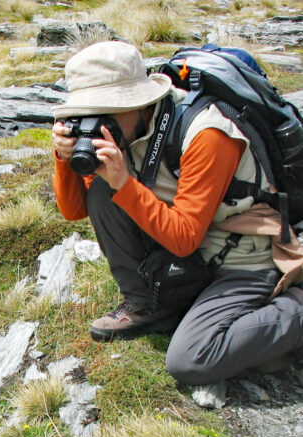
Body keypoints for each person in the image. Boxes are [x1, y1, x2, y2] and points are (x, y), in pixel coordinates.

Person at [50, 41, 303, 385]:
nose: (94, 123)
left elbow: (184, 239)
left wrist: (124, 182)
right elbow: (75, 209)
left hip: (242, 261)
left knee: (192, 359)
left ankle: (296, 308)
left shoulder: (208, 133)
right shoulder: (124, 130)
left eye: (105, 110)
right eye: (86, 113)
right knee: (100, 191)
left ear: (140, 103)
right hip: (190, 254)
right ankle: (150, 304)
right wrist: (65, 162)